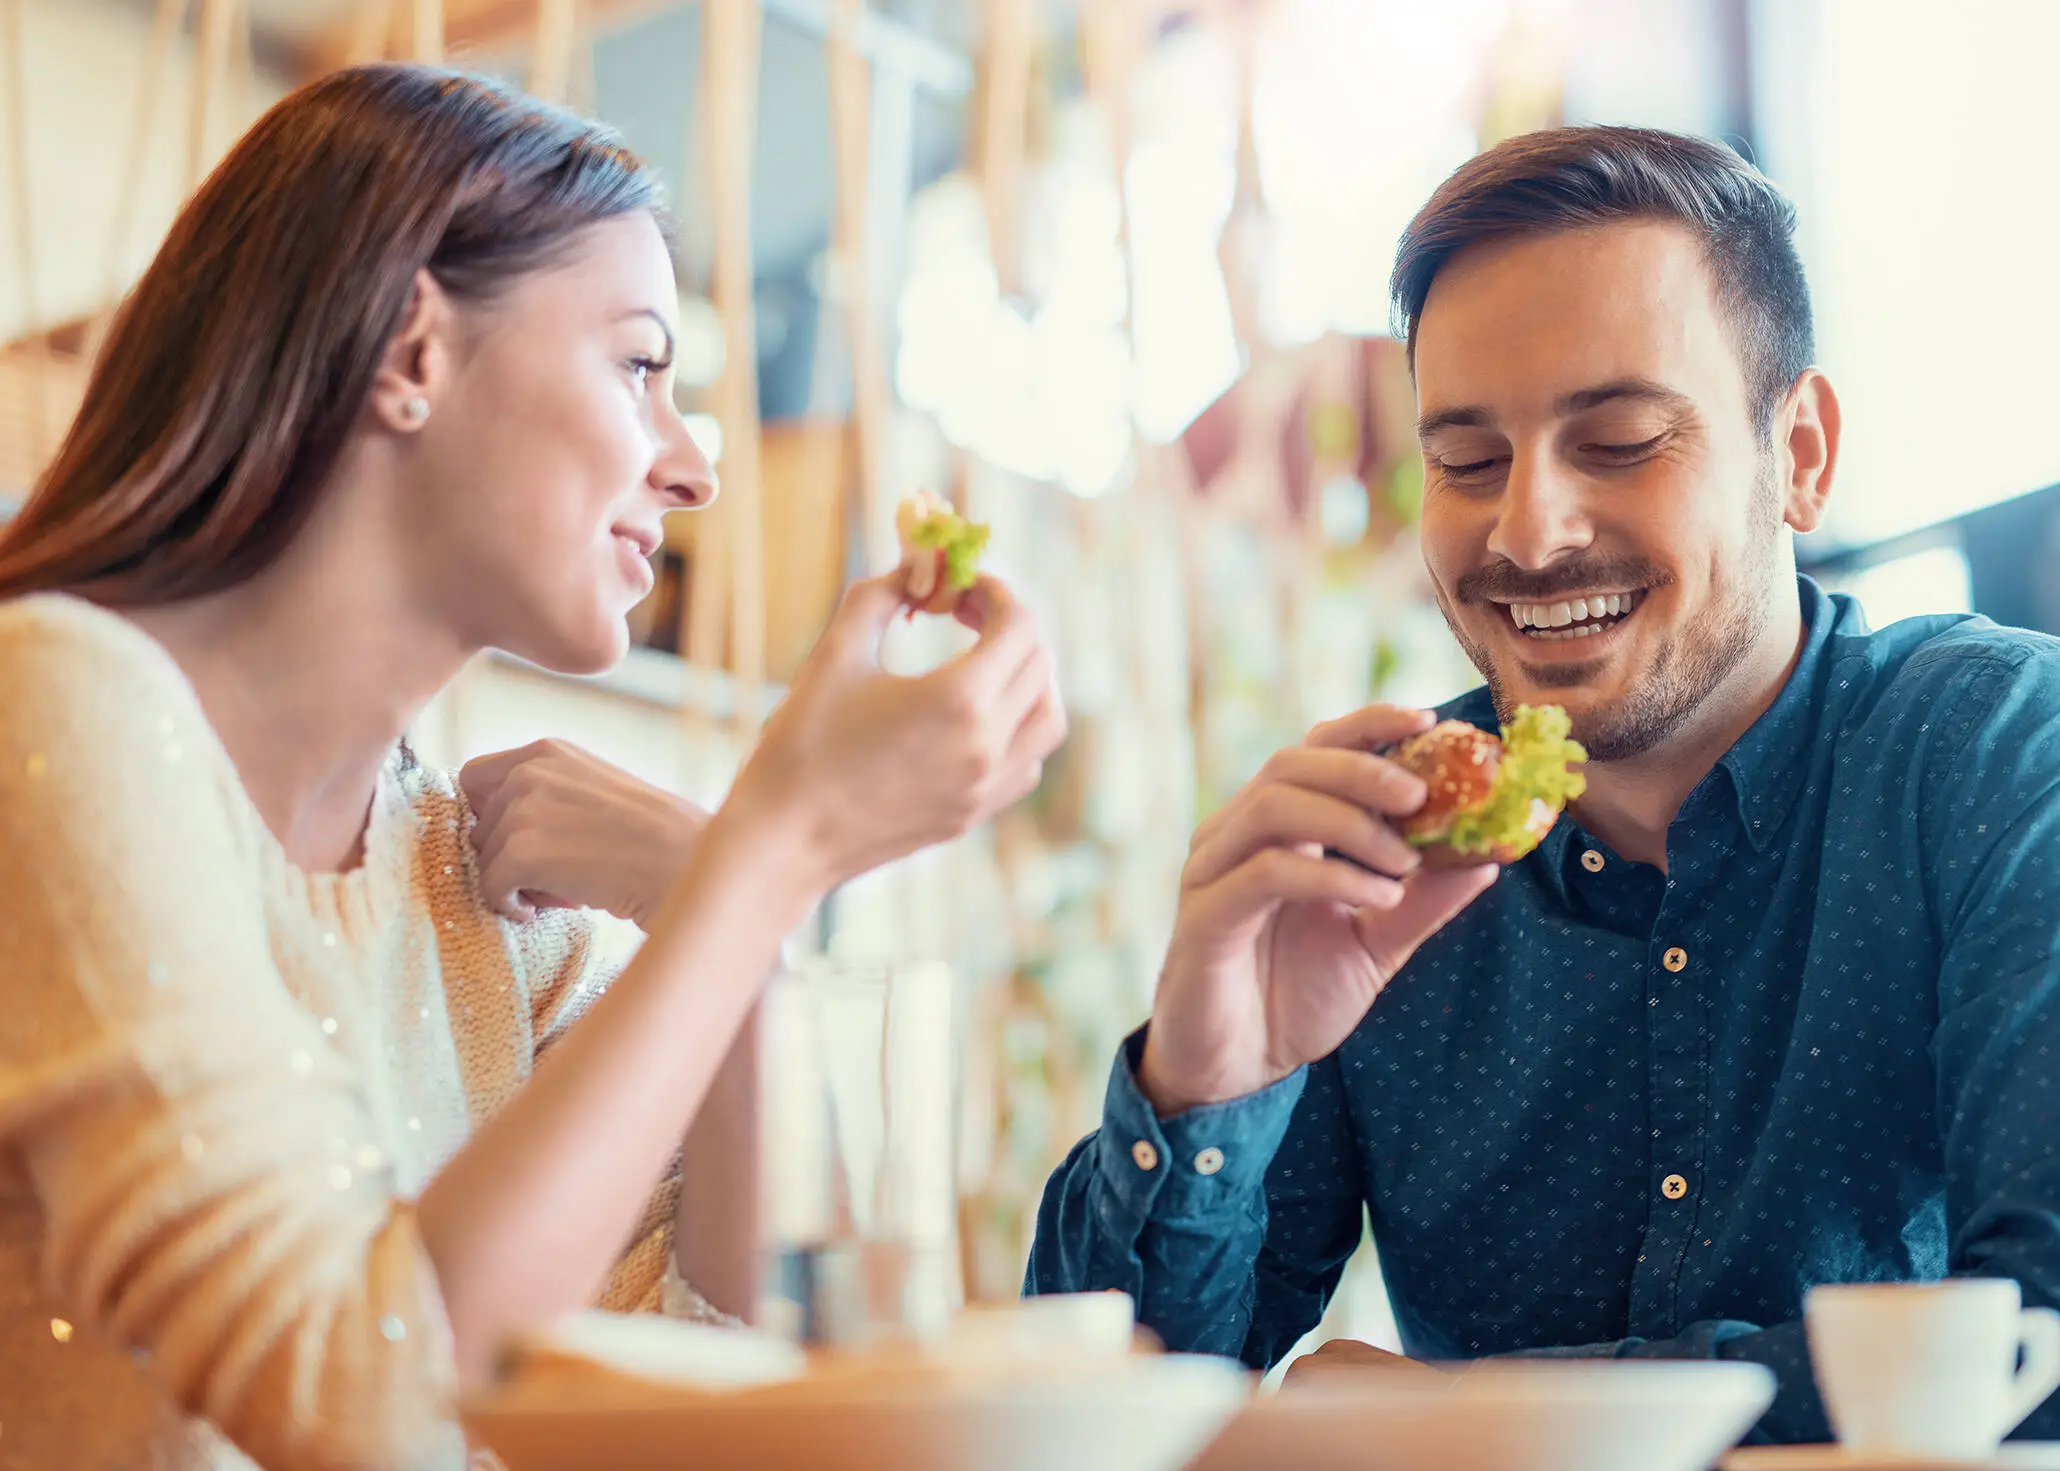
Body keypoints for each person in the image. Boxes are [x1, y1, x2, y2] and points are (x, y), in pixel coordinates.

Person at [0, 64, 1064, 1471]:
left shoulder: (470, 876)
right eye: (639, 365)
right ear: (412, 352)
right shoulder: (55, 701)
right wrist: (770, 849)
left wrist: (731, 923)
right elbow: (360, 1394)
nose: (696, 469)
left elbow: (688, 1401)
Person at [1026, 124, 2060, 1443]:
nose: (1526, 531)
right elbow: (1097, 1418)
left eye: (1620, 440)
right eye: (1465, 462)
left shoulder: (2000, 756)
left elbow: (2040, 1346)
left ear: (1796, 454)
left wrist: (1476, 1422)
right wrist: (1204, 1079)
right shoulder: (1378, 843)